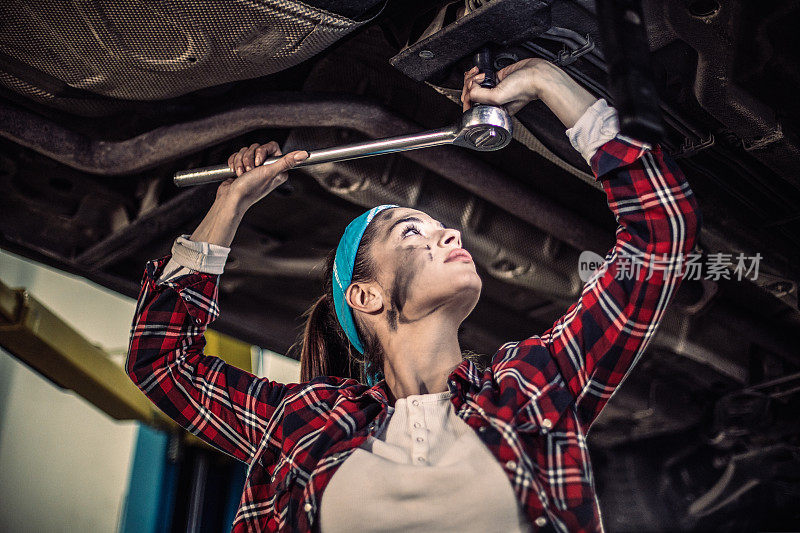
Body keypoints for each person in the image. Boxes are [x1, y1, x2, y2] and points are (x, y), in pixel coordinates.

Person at [126, 58, 701, 532]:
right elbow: (162, 361)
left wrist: (547, 81)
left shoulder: (533, 384)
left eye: (438, 227)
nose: (450, 233)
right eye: (412, 231)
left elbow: (660, 235)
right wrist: (230, 204)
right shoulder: (304, 422)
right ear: (367, 297)